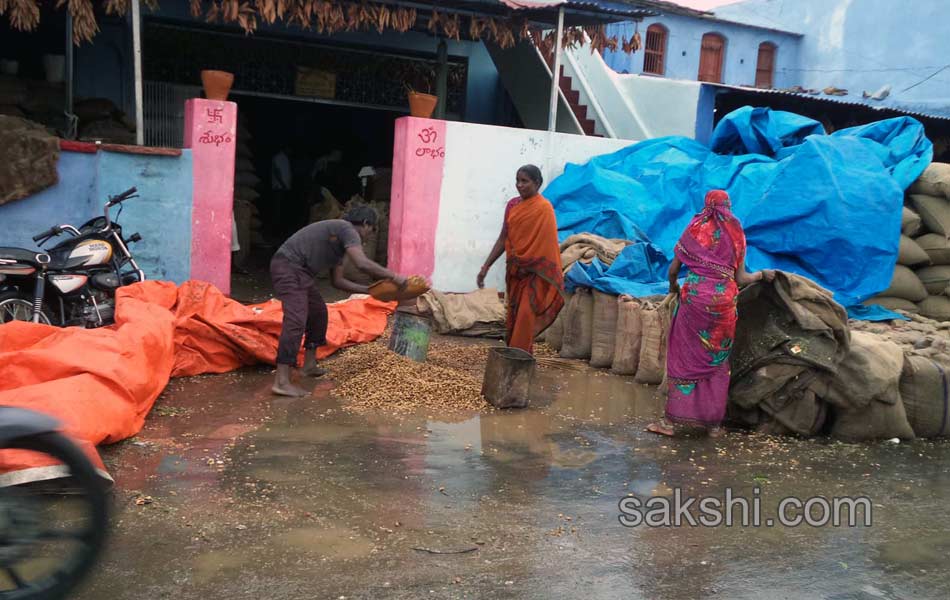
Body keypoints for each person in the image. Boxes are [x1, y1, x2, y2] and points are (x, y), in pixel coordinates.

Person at [647, 190, 775, 438]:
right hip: (723, 305)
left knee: (683, 359)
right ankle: (713, 426)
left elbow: (673, 270)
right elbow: (741, 279)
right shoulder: (737, 234)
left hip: (694, 301)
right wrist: (762, 275)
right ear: (728, 205)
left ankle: (670, 423)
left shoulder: (695, 229)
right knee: (717, 362)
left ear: (707, 205)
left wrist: (673, 287)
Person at [270, 205, 406, 397]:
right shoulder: (346, 229)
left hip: (302, 274)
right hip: (288, 267)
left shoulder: (339, 244)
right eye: (372, 230)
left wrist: (370, 291)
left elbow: (338, 281)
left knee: (318, 314)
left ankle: (309, 365)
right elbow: (362, 263)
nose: (369, 237)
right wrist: (395, 277)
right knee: (296, 321)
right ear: (366, 224)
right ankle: (281, 382)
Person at [477, 165, 565, 354]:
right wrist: (486, 265)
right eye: (517, 180)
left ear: (538, 183)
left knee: (526, 315)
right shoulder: (512, 206)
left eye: (525, 181)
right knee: (515, 317)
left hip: (535, 274)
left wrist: (538, 264)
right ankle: (521, 356)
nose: (519, 185)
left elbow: (548, 244)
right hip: (515, 272)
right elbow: (503, 238)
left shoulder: (544, 208)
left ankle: (518, 359)